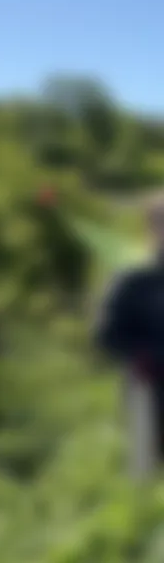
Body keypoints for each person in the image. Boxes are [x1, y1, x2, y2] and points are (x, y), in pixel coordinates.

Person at [96, 189, 164, 465]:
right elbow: (108, 335)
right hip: (148, 389)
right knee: (144, 475)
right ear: (153, 230)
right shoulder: (134, 282)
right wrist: (143, 357)